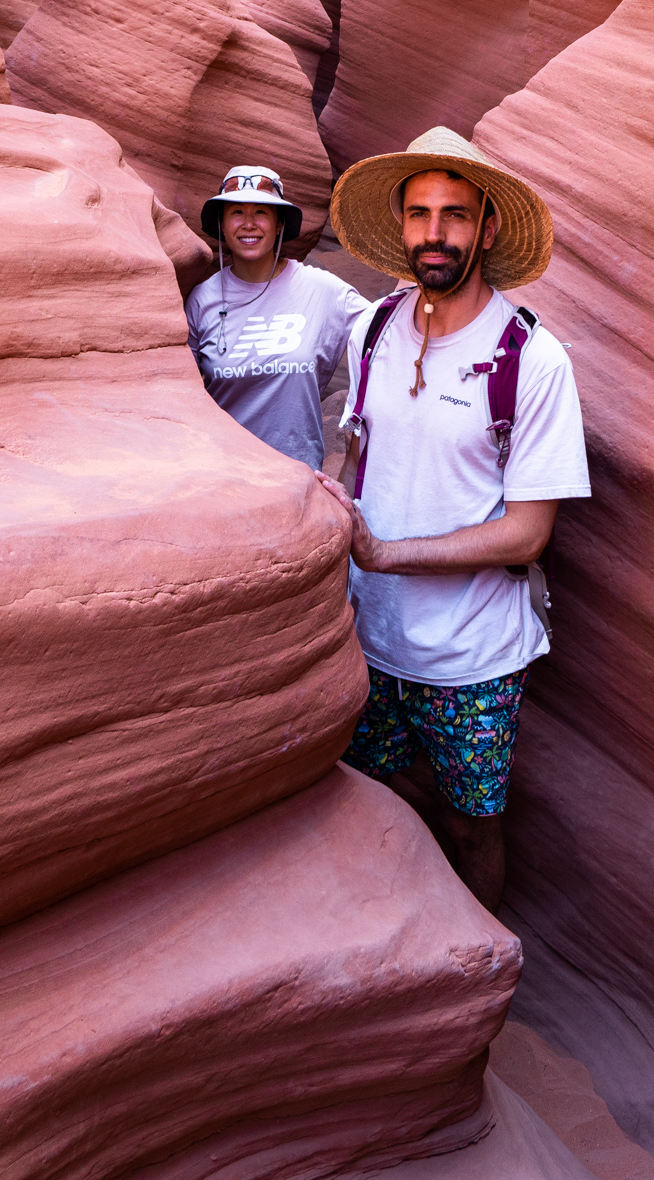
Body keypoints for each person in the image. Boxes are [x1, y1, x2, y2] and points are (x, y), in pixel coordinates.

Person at [315, 126, 588, 909]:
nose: (435, 234)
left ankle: (472, 978)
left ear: (488, 229)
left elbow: (530, 532)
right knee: (380, 802)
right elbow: (358, 458)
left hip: (472, 659)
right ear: (400, 225)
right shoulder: (372, 331)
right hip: (370, 639)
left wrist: (384, 553)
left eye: (456, 215)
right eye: (421, 214)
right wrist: (334, 508)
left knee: (474, 826)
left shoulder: (532, 362)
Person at [186, 164, 370, 471]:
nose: (248, 224)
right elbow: (180, 396)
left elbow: (386, 334)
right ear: (221, 222)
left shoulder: (322, 290)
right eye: (236, 213)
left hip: (299, 480)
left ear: (279, 223)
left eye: (261, 212)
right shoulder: (202, 300)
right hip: (221, 474)